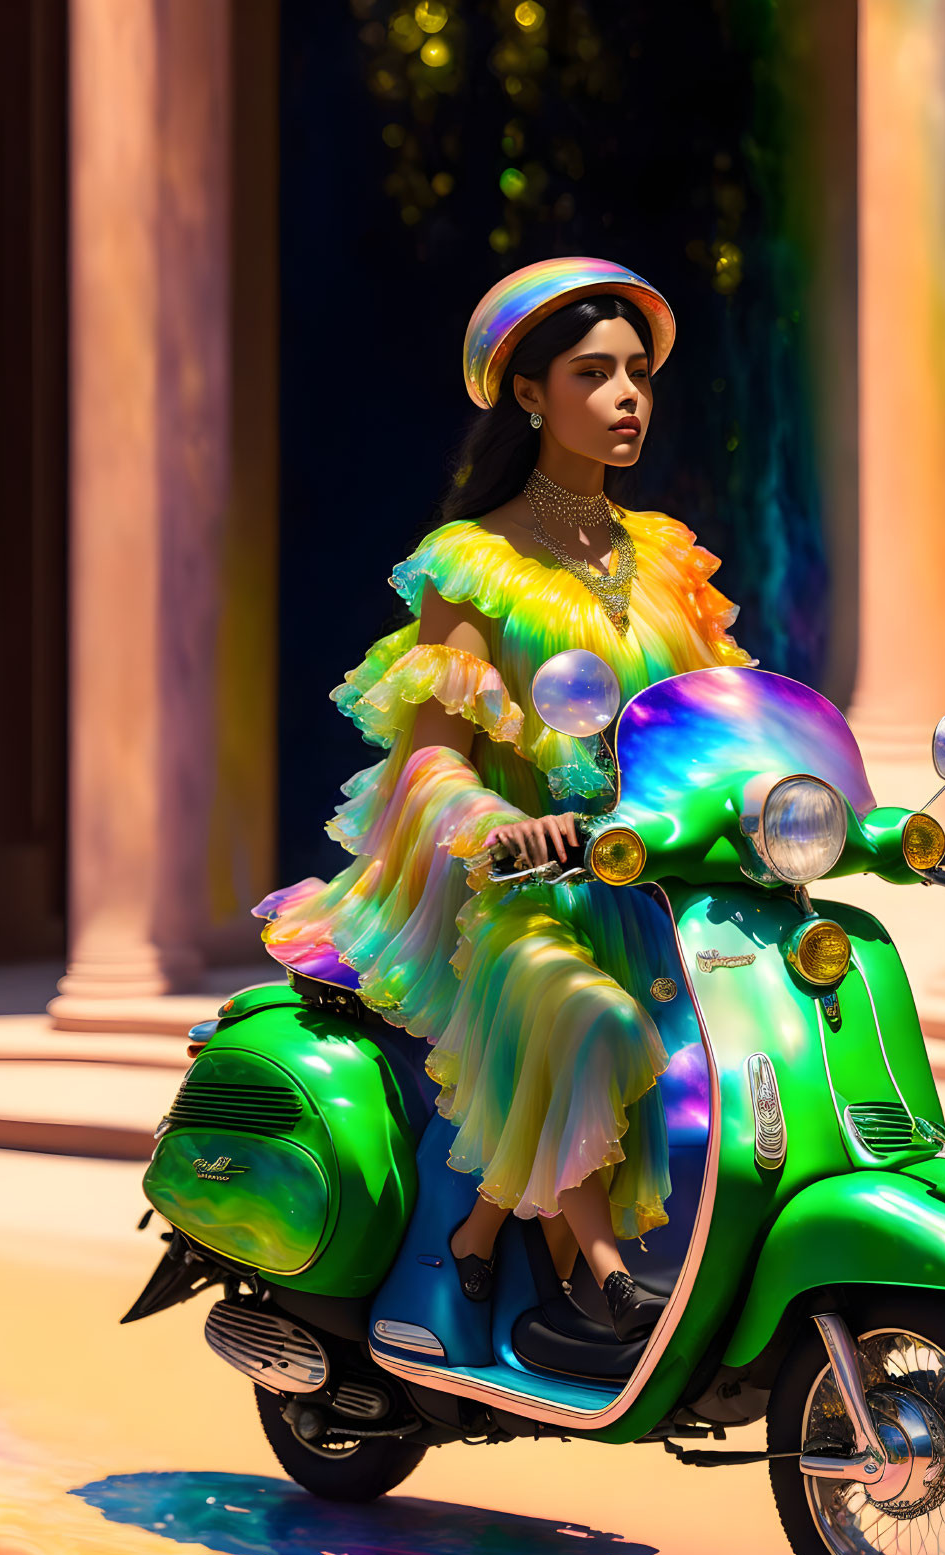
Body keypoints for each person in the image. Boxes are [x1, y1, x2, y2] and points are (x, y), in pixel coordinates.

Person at [255, 257, 755, 1342]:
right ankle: (605, 1280)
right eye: (593, 374)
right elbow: (433, 755)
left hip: (653, 878)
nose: (628, 397)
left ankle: (484, 1236)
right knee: (587, 1013)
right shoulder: (474, 564)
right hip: (515, 892)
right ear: (529, 395)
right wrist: (502, 827)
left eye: (637, 373)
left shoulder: (666, 555)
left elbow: (722, 719)